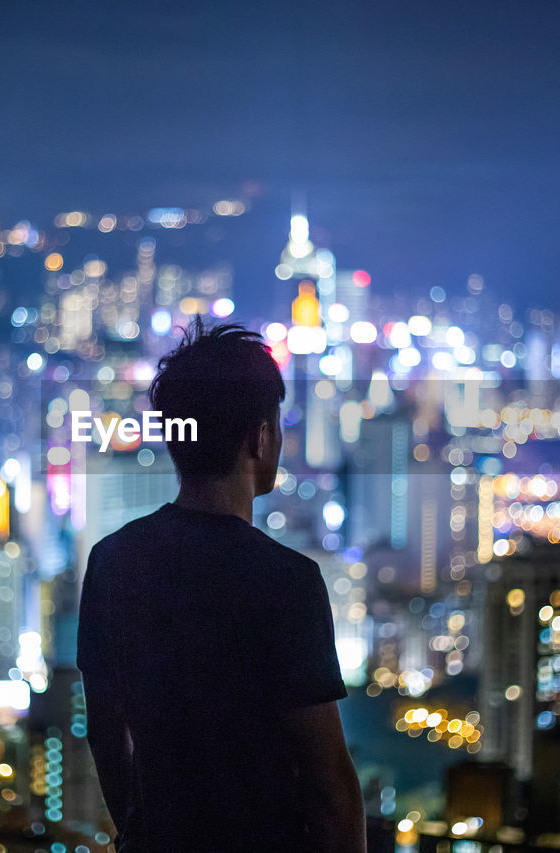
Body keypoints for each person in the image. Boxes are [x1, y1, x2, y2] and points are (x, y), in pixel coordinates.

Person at [77, 320, 366, 852]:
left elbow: (104, 733)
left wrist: (138, 834)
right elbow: (330, 784)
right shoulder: (287, 582)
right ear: (260, 438)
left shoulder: (111, 562)